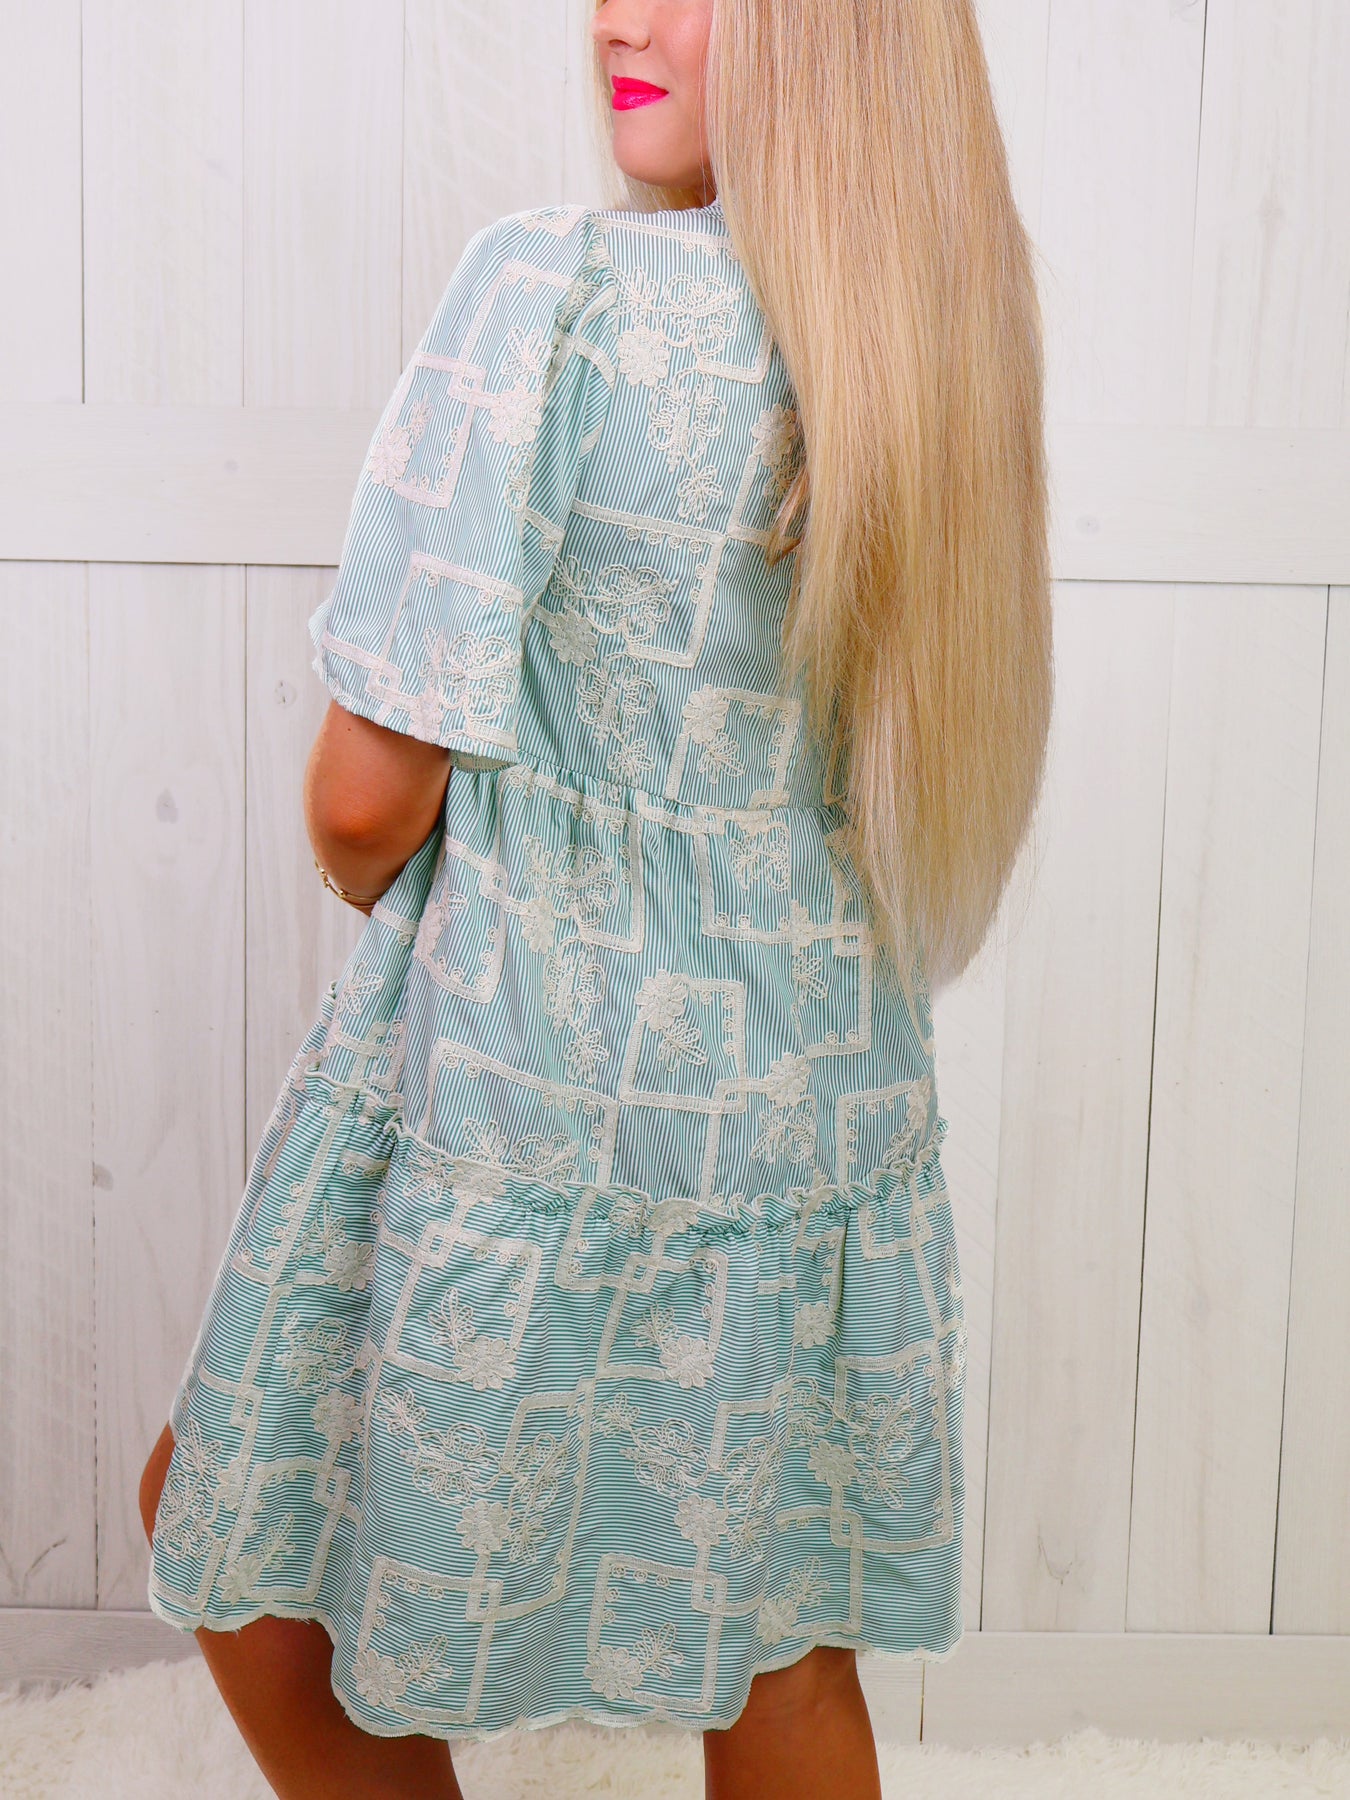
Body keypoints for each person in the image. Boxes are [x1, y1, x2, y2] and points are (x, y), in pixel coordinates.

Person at [138, 0, 1052, 1794]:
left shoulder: (557, 292)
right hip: (812, 1100)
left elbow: (361, 800)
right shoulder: (943, 328)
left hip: (532, 1082)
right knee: (780, 1645)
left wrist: (389, 874)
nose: (620, 18)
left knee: (227, 1520)